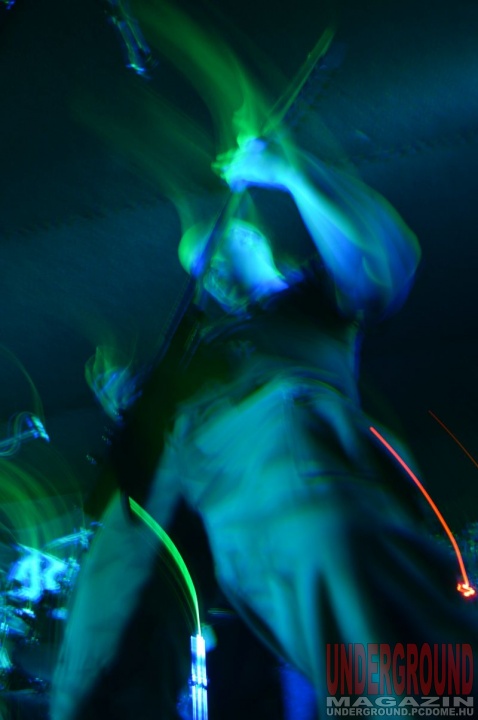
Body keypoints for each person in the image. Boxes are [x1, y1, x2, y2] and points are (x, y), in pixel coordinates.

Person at [51, 132, 477, 720]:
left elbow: (380, 260)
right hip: (194, 479)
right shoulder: (201, 351)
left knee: (337, 572)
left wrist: (292, 174)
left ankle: (429, 704)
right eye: (201, 273)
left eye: (217, 254)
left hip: (279, 446)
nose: (211, 278)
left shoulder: (308, 299)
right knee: (113, 608)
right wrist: (129, 399)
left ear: (252, 238)